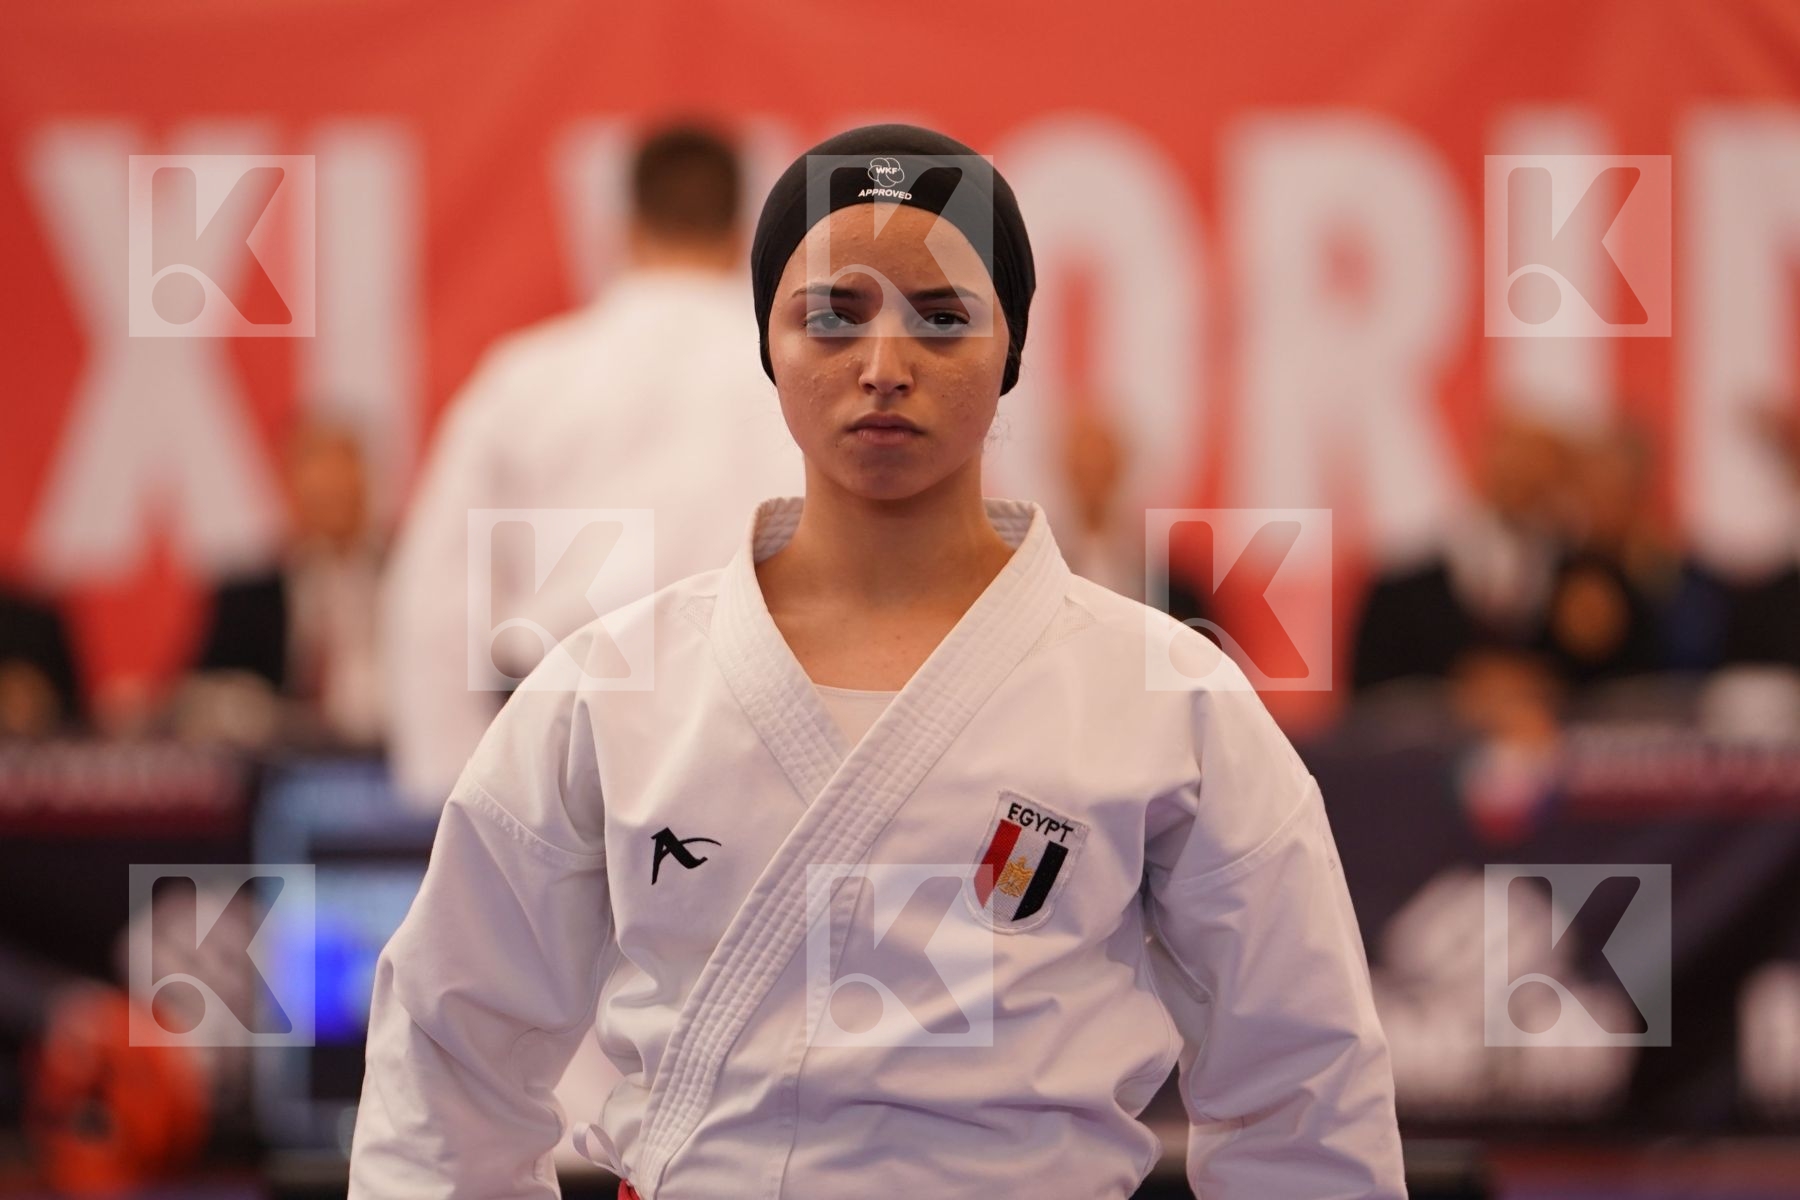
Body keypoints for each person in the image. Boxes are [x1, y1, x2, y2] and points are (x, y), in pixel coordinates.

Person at [350, 124, 1403, 1199]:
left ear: (1013, 352)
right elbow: (448, 1072)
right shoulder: (606, 689)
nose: (885, 367)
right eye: (831, 317)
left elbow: (1304, 1092)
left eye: (943, 320)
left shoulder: (1168, 696)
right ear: (767, 344)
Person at [380, 121, 803, 804]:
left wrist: (452, 790)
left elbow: (441, 594)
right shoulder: (801, 374)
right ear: (742, 236)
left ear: (625, 231)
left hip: (571, 737)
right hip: (764, 738)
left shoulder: (527, 377)